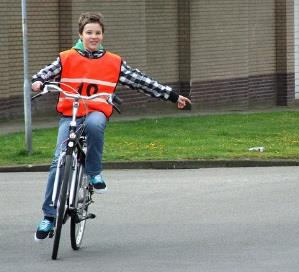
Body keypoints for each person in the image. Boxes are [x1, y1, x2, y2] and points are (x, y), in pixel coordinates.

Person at [32, 12, 191, 241]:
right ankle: (49, 216)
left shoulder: (114, 62)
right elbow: (45, 74)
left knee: (96, 125)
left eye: (97, 33)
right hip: (71, 114)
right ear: (81, 34)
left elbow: (141, 81)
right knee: (58, 161)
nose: (93, 36)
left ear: (102, 35)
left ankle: (94, 173)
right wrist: (38, 82)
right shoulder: (66, 57)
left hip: (96, 111)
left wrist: (173, 96)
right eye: (89, 33)